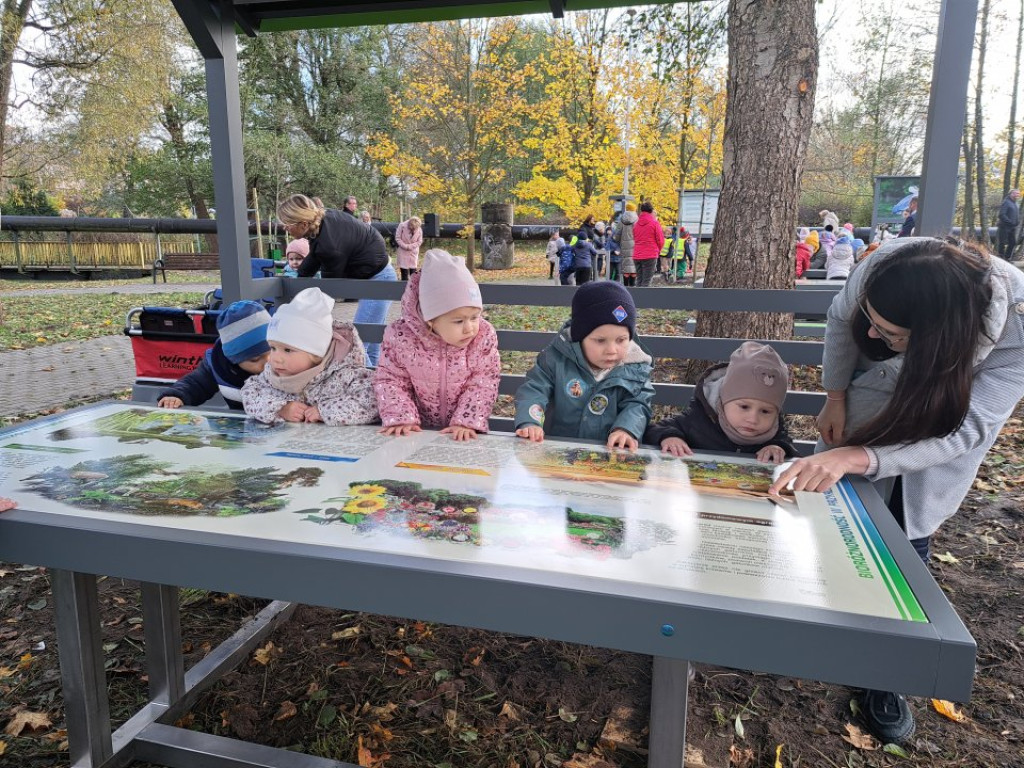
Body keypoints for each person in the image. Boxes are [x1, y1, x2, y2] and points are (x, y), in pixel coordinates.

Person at [769, 237, 1024, 745]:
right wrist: (836, 396)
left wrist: (863, 457)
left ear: (938, 338)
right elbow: (845, 321)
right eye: (874, 320)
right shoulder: (887, 266)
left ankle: (884, 676)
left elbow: (967, 431)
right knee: (829, 522)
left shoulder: (1019, 326)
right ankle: (820, 627)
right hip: (863, 406)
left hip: (934, 445)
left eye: (887, 332)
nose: (871, 332)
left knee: (903, 553)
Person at [373, 250, 501, 441]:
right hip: (416, 430)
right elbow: (391, 379)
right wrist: (401, 417)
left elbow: (484, 382)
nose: (469, 328)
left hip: (463, 432)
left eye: (474, 317)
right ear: (430, 320)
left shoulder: (482, 337)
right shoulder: (402, 338)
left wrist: (465, 421)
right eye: (458, 321)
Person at [514, 281, 655, 450]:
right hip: (558, 450)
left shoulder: (635, 369)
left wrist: (625, 429)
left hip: (608, 454)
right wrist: (530, 421)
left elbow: (638, 405)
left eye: (621, 340)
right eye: (600, 340)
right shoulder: (556, 360)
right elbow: (535, 389)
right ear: (580, 336)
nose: (612, 350)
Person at [276, 194, 396, 367]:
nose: (285, 229)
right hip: (377, 276)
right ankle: (376, 381)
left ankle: (370, 382)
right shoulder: (324, 220)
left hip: (378, 280)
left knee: (357, 342)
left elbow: (330, 288)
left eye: (287, 225)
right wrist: (300, 278)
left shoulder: (330, 245)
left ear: (303, 224)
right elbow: (314, 256)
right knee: (370, 342)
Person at [241, 287, 378, 426]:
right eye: (273, 348)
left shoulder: (344, 375)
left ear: (316, 354)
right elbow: (250, 393)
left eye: (288, 350)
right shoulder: (270, 376)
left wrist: (324, 411)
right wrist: (281, 408)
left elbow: (374, 400)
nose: (275, 358)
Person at [644, 342, 796, 463]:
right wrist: (670, 437)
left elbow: (787, 447)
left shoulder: (775, 433)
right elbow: (655, 430)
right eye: (744, 407)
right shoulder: (698, 419)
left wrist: (779, 448)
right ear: (722, 401)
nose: (753, 419)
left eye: (765, 411)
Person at [158, 301, 271, 411]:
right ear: (232, 359)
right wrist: (177, 395)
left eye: (273, 351)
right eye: (255, 359)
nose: (269, 361)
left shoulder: (285, 364)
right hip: (241, 424)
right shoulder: (217, 366)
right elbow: (196, 383)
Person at [632, 201, 665, 287]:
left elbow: (635, 238)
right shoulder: (654, 223)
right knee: (647, 281)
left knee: (639, 279)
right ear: (651, 211)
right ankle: (643, 300)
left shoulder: (636, 224)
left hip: (637, 255)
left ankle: (637, 298)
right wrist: (657, 251)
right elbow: (660, 240)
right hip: (650, 255)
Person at [616, 203, 639, 286]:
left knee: (626, 268)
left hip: (624, 246)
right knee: (633, 268)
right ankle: (633, 287)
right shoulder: (637, 219)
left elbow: (617, 235)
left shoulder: (622, 219)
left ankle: (625, 287)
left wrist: (619, 242)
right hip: (635, 246)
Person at [395, 216, 424, 280]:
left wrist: (411, 246)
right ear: (409, 224)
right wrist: (405, 246)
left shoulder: (419, 228)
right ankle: (404, 287)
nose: (413, 229)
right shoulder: (402, 226)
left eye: (415, 228)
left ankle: (412, 289)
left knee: (413, 274)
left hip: (413, 252)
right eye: (412, 228)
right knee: (404, 273)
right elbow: (398, 238)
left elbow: (419, 241)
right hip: (403, 252)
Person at [997, 188, 1020, 259]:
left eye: (1018, 194)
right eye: (1016, 193)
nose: (1018, 195)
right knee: (1002, 244)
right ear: (1011, 194)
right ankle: (1001, 259)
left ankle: (1007, 258)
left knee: (1013, 243)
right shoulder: (1006, 202)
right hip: (1004, 226)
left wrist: (1017, 222)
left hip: (1012, 227)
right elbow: (1001, 215)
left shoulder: (1015, 203)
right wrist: (1010, 222)